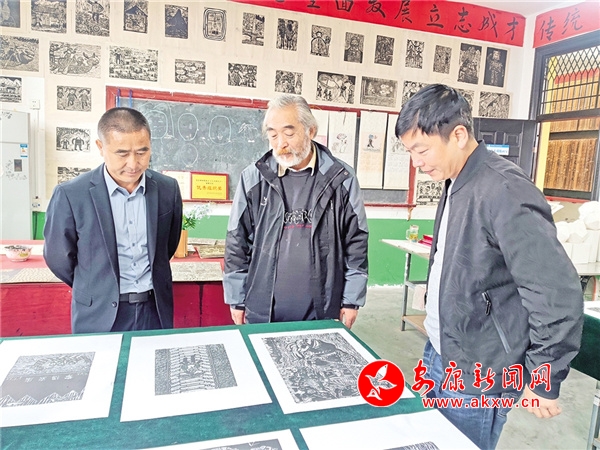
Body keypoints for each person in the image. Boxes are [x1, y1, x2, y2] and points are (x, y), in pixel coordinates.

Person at [395, 84, 583, 450]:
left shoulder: (504, 189)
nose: (416, 162)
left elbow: (554, 290)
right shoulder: (456, 180)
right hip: (442, 351)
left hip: (481, 366)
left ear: (458, 135)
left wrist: (544, 376)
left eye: (422, 149)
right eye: (410, 152)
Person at [224, 94, 368, 328]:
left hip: (323, 308)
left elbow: (356, 241)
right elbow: (236, 241)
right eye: (273, 135)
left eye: (289, 134)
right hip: (263, 309)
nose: (280, 144)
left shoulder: (341, 179)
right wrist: (237, 300)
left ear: (311, 131)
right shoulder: (254, 179)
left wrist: (351, 299)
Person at [44, 107, 183, 334]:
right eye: (122, 153)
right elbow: (59, 258)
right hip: (98, 313)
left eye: (142, 152)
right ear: (101, 147)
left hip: (154, 310)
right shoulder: (72, 194)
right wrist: (96, 286)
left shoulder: (168, 189)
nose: (133, 164)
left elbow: (167, 246)